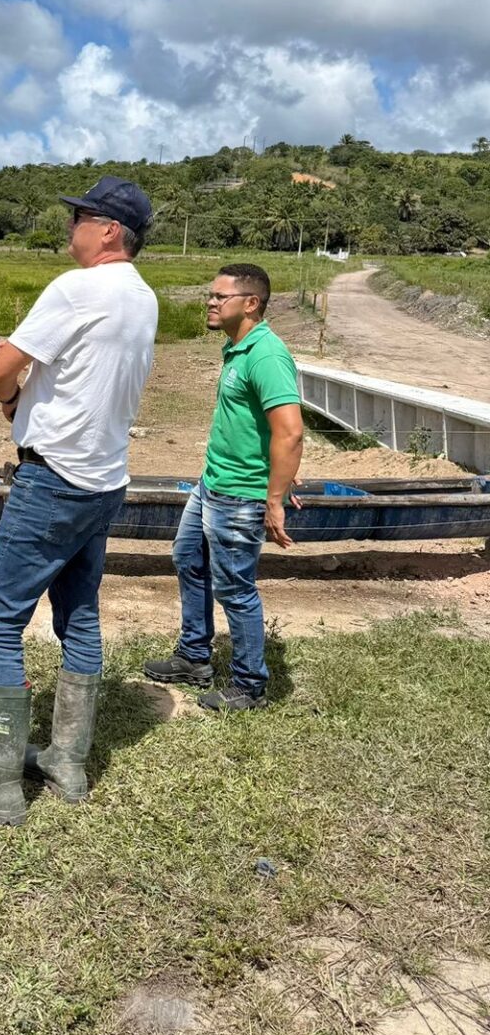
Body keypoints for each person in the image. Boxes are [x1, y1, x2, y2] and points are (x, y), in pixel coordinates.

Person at [0, 175, 159, 824]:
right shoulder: (143, 299)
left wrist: (7, 400)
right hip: (104, 479)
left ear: (109, 231)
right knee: (78, 615)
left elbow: (3, 365)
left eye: (81, 217)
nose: (72, 227)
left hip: (52, 479)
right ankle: (67, 759)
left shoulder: (77, 288)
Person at [144, 263, 303, 712]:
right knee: (188, 557)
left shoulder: (266, 355)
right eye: (210, 296)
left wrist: (274, 496)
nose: (210, 303)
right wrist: (285, 471)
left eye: (220, 297)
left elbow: (290, 430)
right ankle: (195, 656)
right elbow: (266, 428)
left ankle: (250, 685)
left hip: (240, 494)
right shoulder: (236, 348)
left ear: (250, 304)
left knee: (234, 586)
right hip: (212, 482)